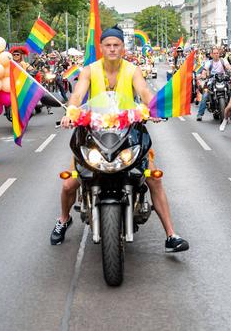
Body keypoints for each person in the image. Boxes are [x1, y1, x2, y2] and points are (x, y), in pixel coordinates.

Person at [53, 26, 189, 252]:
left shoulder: (133, 70)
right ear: (101, 48)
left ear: (123, 48)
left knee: (154, 178)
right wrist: (71, 111)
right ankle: (63, 219)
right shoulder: (89, 70)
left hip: (129, 133)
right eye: (108, 45)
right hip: (93, 135)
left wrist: (154, 108)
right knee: (69, 183)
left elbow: (144, 92)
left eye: (116, 45)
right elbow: (77, 94)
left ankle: (171, 234)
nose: (112, 49)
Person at [196, 47, 230, 121]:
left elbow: (228, 67)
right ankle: (200, 114)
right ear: (211, 55)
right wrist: (203, 75)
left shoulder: (223, 61)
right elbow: (205, 70)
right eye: (214, 53)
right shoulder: (209, 63)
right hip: (212, 81)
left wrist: (230, 71)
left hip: (223, 80)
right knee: (205, 96)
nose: (216, 55)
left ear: (219, 54)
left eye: (217, 53)